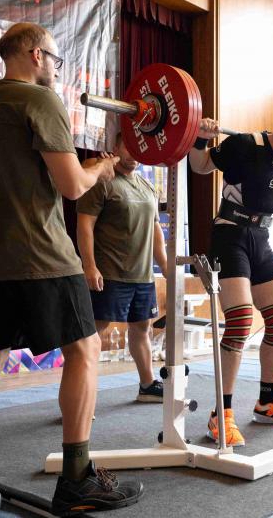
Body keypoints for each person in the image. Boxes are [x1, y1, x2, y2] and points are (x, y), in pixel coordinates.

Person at [0, 23, 143, 517]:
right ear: (36, 55)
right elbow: (72, 186)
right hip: (41, 254)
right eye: (54, 59)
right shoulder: (40, 99)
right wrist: (101, 167)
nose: (56, 68)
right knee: (85, 350)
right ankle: (77, 479)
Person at [188, 110, 273, 447]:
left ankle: (267, 403)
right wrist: (201, 138)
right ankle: (220, 414)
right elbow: (200, 166)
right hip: (230, 235)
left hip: (260, 238)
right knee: (239, 322)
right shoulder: (242, 144)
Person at [76, 132, 168, 403]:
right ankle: (81, 397)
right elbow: (85, 225)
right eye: (128, 147)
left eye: (140, 149)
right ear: (115, 147)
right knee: (93, 333)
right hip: (110, 274)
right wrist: (89, 266)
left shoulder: (146, 186)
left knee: (142, 328)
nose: (134, 154)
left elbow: (155, 229)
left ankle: (147, 385)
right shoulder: (101, 180)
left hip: (143, 275)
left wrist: (165, 265)